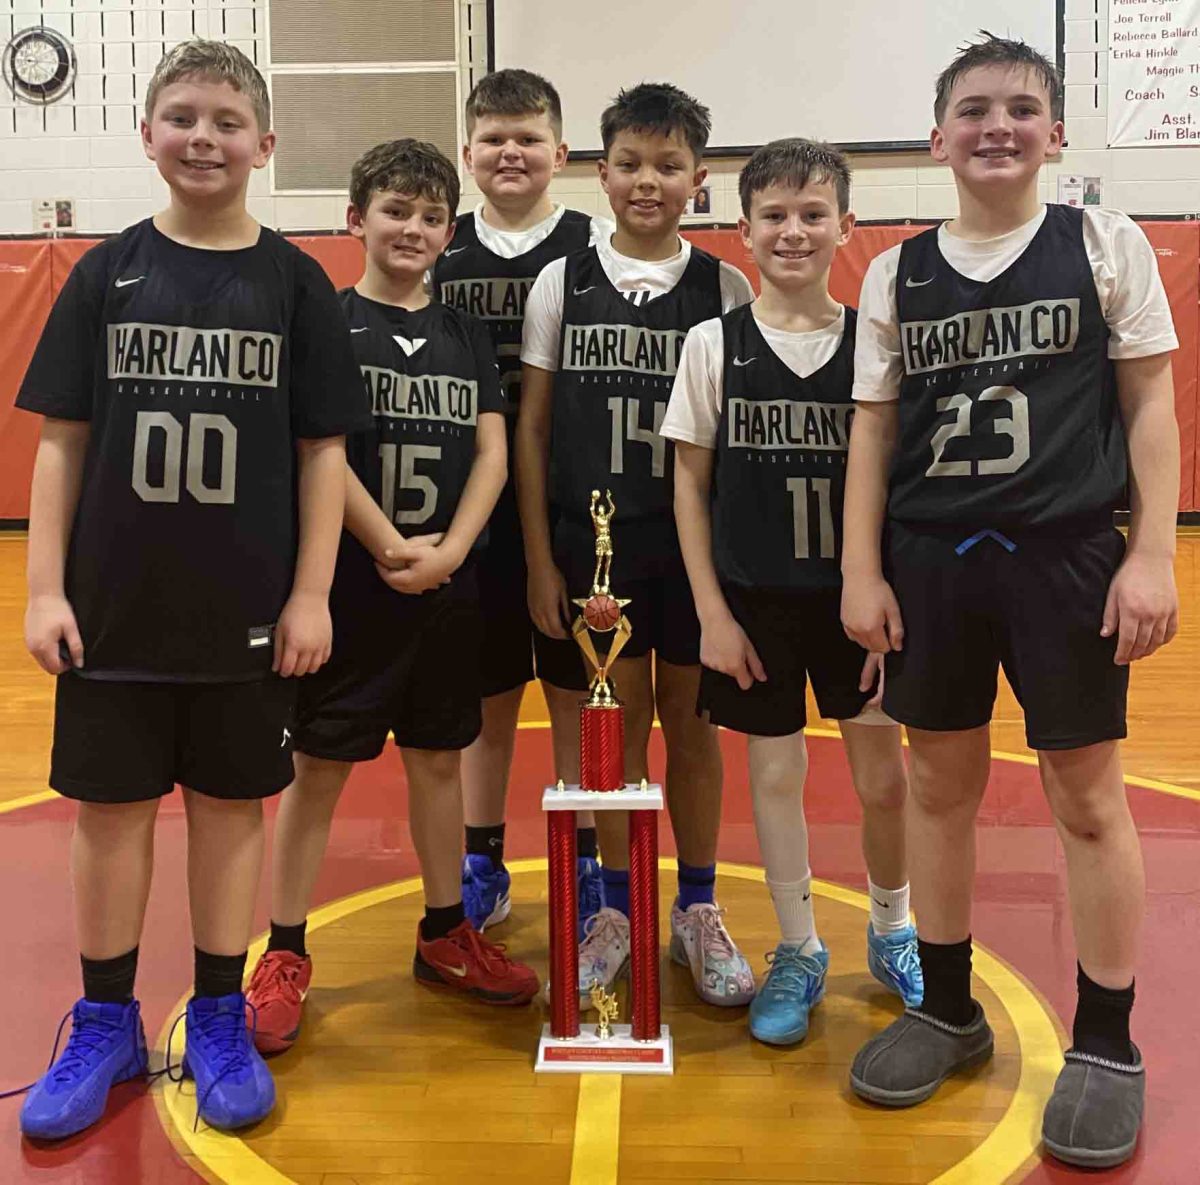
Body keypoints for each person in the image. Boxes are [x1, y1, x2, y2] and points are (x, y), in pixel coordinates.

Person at [16, 40, 367, 1137]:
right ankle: (106, 1018)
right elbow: (62, 444)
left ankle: (218, 1009)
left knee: (230, 813)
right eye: (182, 116)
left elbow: (322, 455)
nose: (203, 137)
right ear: (148, 136)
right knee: (110, 814)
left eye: (226, 120)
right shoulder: (103, 273)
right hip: (114, 606)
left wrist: (314, 595)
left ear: (265, 143)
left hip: (249, 609)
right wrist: (40, 591)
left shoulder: (297, 283)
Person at [841, 34, 1179, 1169]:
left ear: (1055, 134)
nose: (998, 125)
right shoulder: (897, 271)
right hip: (933, 556)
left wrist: (1152, 559)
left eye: (1022, 108)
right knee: (936, 785)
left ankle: (1106, 1039)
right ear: (936, 136)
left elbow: (1148, 410)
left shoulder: (1104, 242)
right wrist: (860, 568)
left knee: (1086, 795)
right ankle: (947, 1008)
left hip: (1070, 554)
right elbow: (875, 433)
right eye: (974, 109)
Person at [245, 140, 539, 1055]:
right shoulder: (326, 322)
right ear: (355, 218)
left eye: (429, 216)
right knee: (319, 771)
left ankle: (446, 928)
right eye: (395, 211)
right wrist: (386, 544)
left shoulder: (461, 334)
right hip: (353, 590)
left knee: (441, 763)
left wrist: (452, 546)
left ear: (450, 232)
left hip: (449, 588)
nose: (412, 229)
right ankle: (285, 948)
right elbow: (318, 451)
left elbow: (493, 448)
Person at [665, 138, 922, 1046]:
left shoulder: (874, 344)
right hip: (755, 602)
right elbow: (688, 486)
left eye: (814, 213)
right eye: (773, 214)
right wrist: (711, 614)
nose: (794, 230)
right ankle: (801, 945)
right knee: (774, 775)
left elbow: (900, 483)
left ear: (847, 226)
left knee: (882, 778)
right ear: (742, 232)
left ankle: (894, 926)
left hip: (856, 602)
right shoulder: (712, 344)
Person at [517, 82, 757, 1008]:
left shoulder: (723, 286)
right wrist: (540, 560)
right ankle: (611, 910)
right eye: (629, 164)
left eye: (668, 166)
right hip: (586, 556)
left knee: (694, 735)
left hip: (691, 554)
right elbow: (533, 431)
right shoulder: (561, 281)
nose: (647, 181)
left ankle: (695, 907)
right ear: (600, 171)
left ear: (699, 180)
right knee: (604, 745)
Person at [432, 69, 609, 936]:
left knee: (577, 693)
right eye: (494, 139)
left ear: (561, 154)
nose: (511, 152)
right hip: (466, 511)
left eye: (529, 138)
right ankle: (482, 856)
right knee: (488, 700)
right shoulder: (436, 248)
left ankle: (581, 857)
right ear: (468, 154)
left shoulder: (594, 247)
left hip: (571, 508)